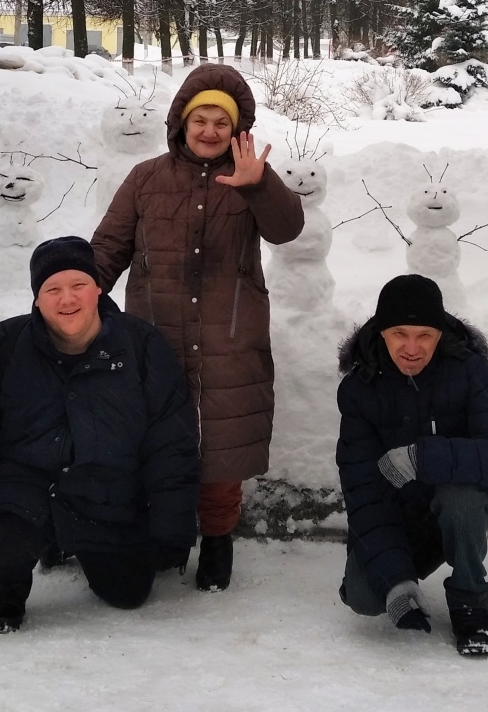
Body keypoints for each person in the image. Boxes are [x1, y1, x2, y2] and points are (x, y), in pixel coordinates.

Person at [91, 64, 303, 592]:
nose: (210, 131)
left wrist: (260, 187)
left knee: (220, 446)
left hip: (227, 334)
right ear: (180, 124)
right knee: (153, 439)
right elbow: (109, 248)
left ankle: (217, 538)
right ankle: (159, 533)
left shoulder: (250, 179)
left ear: (237, 131)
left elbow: (287, 229)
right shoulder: (145, 178)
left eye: (221, 124)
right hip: (154, 334)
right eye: (200, 120)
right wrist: (73, 293)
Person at [0, 236, 200, 633]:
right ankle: (9, 582)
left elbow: (171, 442)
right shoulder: (2, 348)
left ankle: (77, 543)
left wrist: (172, 525)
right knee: (10, 540)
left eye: (78, 285)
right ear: (37, 299)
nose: (66, 298)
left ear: (98, 289)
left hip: (107, 493)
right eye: (52, 289)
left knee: (129, 594)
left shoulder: (141, 346)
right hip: (25, 491)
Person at [336, 274, 488, 658]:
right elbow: (363, 491)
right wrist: (398, 581)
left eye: (424, 335)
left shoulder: (467, 370)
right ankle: (404, 572)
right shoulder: (360, 389)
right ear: (381, 332)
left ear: (440, 334)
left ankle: (470, 602)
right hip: (401, 513)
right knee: (364, 596)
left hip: (457, 503)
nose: (411, 348)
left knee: (460, 498)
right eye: (399, 334)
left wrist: (421, 458)